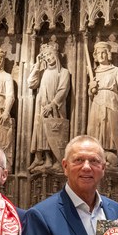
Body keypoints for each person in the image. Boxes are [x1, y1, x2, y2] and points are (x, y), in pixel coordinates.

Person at [27, 41, 71, 173]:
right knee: (41, 132)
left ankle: (57, 160)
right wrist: (37, 65)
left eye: (50, 55)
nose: (48, 58)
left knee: (54, 132)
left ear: (56, 55)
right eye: (45, 56)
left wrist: (52, 104)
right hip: (41, 108)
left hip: (55, 108)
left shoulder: (63, 72)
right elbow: (31, 83)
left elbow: (63, 90)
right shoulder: (42, 72)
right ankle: (44, 159)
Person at [87, 41, 118, 167]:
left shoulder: (116, 70)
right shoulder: (94, 72)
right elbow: (90, 95)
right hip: (97, 103)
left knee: (110, 130)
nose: (101, 55)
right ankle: (96, 155)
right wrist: (91, 88)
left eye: (103, 53)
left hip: (111, 101)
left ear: (108, 54)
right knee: (96, 128)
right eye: (98, 53)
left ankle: (110, 155)